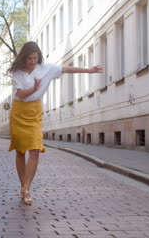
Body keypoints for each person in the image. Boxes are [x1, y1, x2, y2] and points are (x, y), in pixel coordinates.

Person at [8, 41, 103, 205]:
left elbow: (67, 69)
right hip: (19, 112)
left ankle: (26, 188)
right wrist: (34, 89)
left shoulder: (46, 69)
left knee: (35, 149)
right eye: (29, 58)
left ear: (38, 58)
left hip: (35, 112)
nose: (32, 61)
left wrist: (89, 70)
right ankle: (23, 186)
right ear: (23, 57)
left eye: (35, 58)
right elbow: (21, 94)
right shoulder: (17, 73)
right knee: (20, 151)